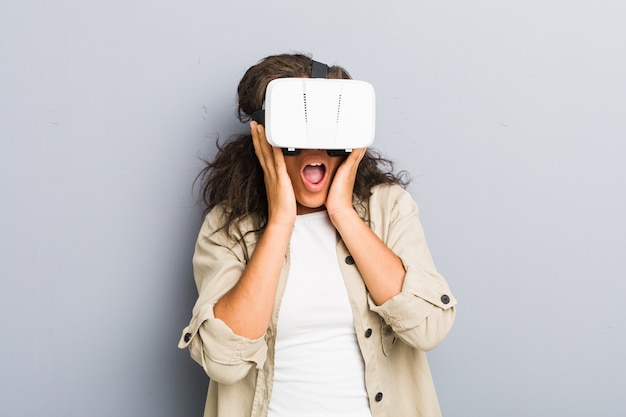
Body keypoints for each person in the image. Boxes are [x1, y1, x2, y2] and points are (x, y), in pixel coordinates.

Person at [179, 53, 456, 417]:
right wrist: (280, 222)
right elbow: (224, 363)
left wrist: (343, 213)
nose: (315, 147)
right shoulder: (228, 228)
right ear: (263, 138)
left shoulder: (388, 209)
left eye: (329, 129)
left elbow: (429, 329)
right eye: (297, 129)